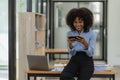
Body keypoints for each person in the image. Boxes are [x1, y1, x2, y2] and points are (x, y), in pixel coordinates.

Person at [60, 7, 96, 80]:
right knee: (64, 76)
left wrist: (85, 43)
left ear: (85, 22)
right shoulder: (70, 33)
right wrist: (70, 45)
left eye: (80, 22)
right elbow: (72, 53)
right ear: (72, 23)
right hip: (74, 59)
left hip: (87, 60)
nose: (78, 24)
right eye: (75, 22)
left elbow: (90, 53)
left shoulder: (92, 34)